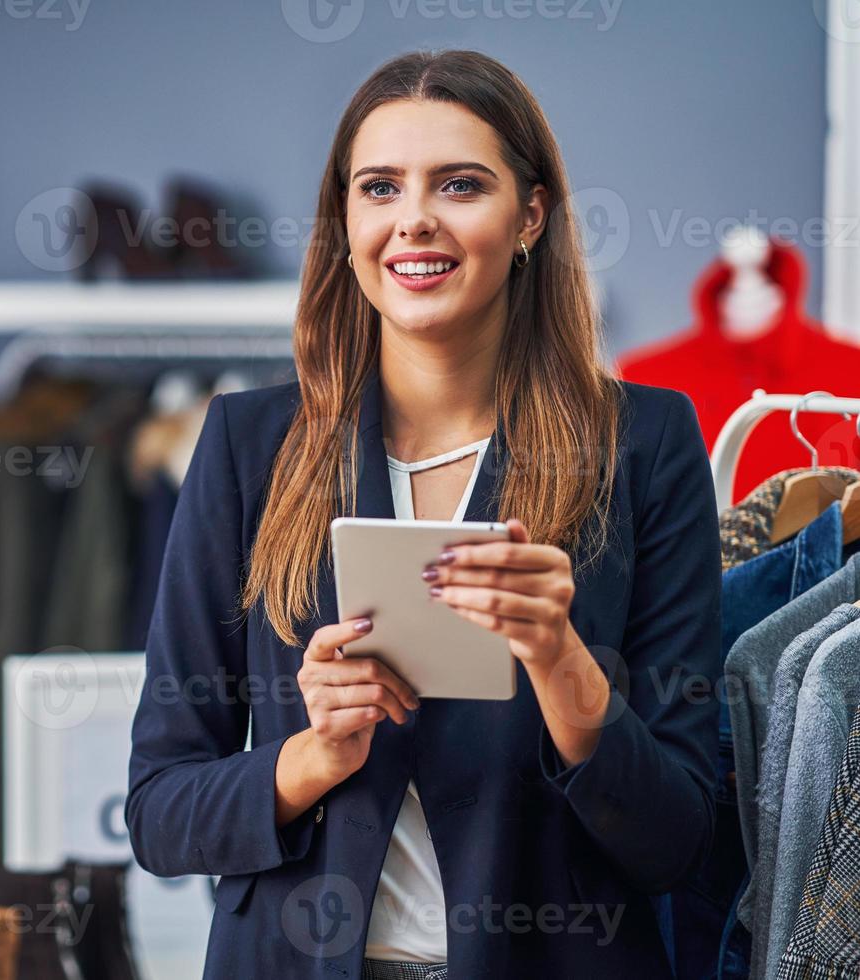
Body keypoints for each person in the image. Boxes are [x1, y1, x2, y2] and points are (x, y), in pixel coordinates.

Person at [125, 49, 720, 980]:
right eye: (378, 187)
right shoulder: (248, 443)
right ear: (346, 220)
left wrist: (564, 667)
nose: (413, 221)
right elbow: (160, 812)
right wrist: (310, 757)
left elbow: (677, 842)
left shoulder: (642, 443)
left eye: (459, 185)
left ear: (528, 216)